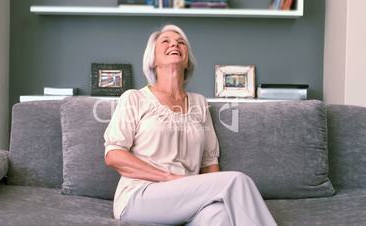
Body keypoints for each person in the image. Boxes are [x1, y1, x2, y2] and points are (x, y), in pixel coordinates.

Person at [103, 24, 277, 226]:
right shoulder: (134, 98)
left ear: (187, 61)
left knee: (219, 214)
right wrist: (167, 177)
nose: (174, 44)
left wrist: (212, 195)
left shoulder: (199, 103)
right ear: (152, 59)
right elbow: (114, 155)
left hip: (187, 199)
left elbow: (209, 162)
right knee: (237, 181)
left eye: (181, 43)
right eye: (165, 41)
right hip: (140, 195)